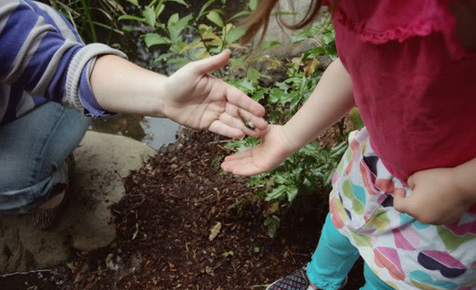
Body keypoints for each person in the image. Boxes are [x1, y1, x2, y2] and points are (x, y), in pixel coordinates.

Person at [222, 0, 476, 289]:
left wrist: (460, 185)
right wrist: (288, 136)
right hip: (374, 168)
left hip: (450, 211)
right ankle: (319, 279)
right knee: (340, 226)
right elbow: (359, 67)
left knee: (388, 280)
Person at [0, 0, 268, 230]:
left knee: (14, 187)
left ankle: (51, 179)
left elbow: (69, 68)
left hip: (41, 92)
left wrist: (163, 94)